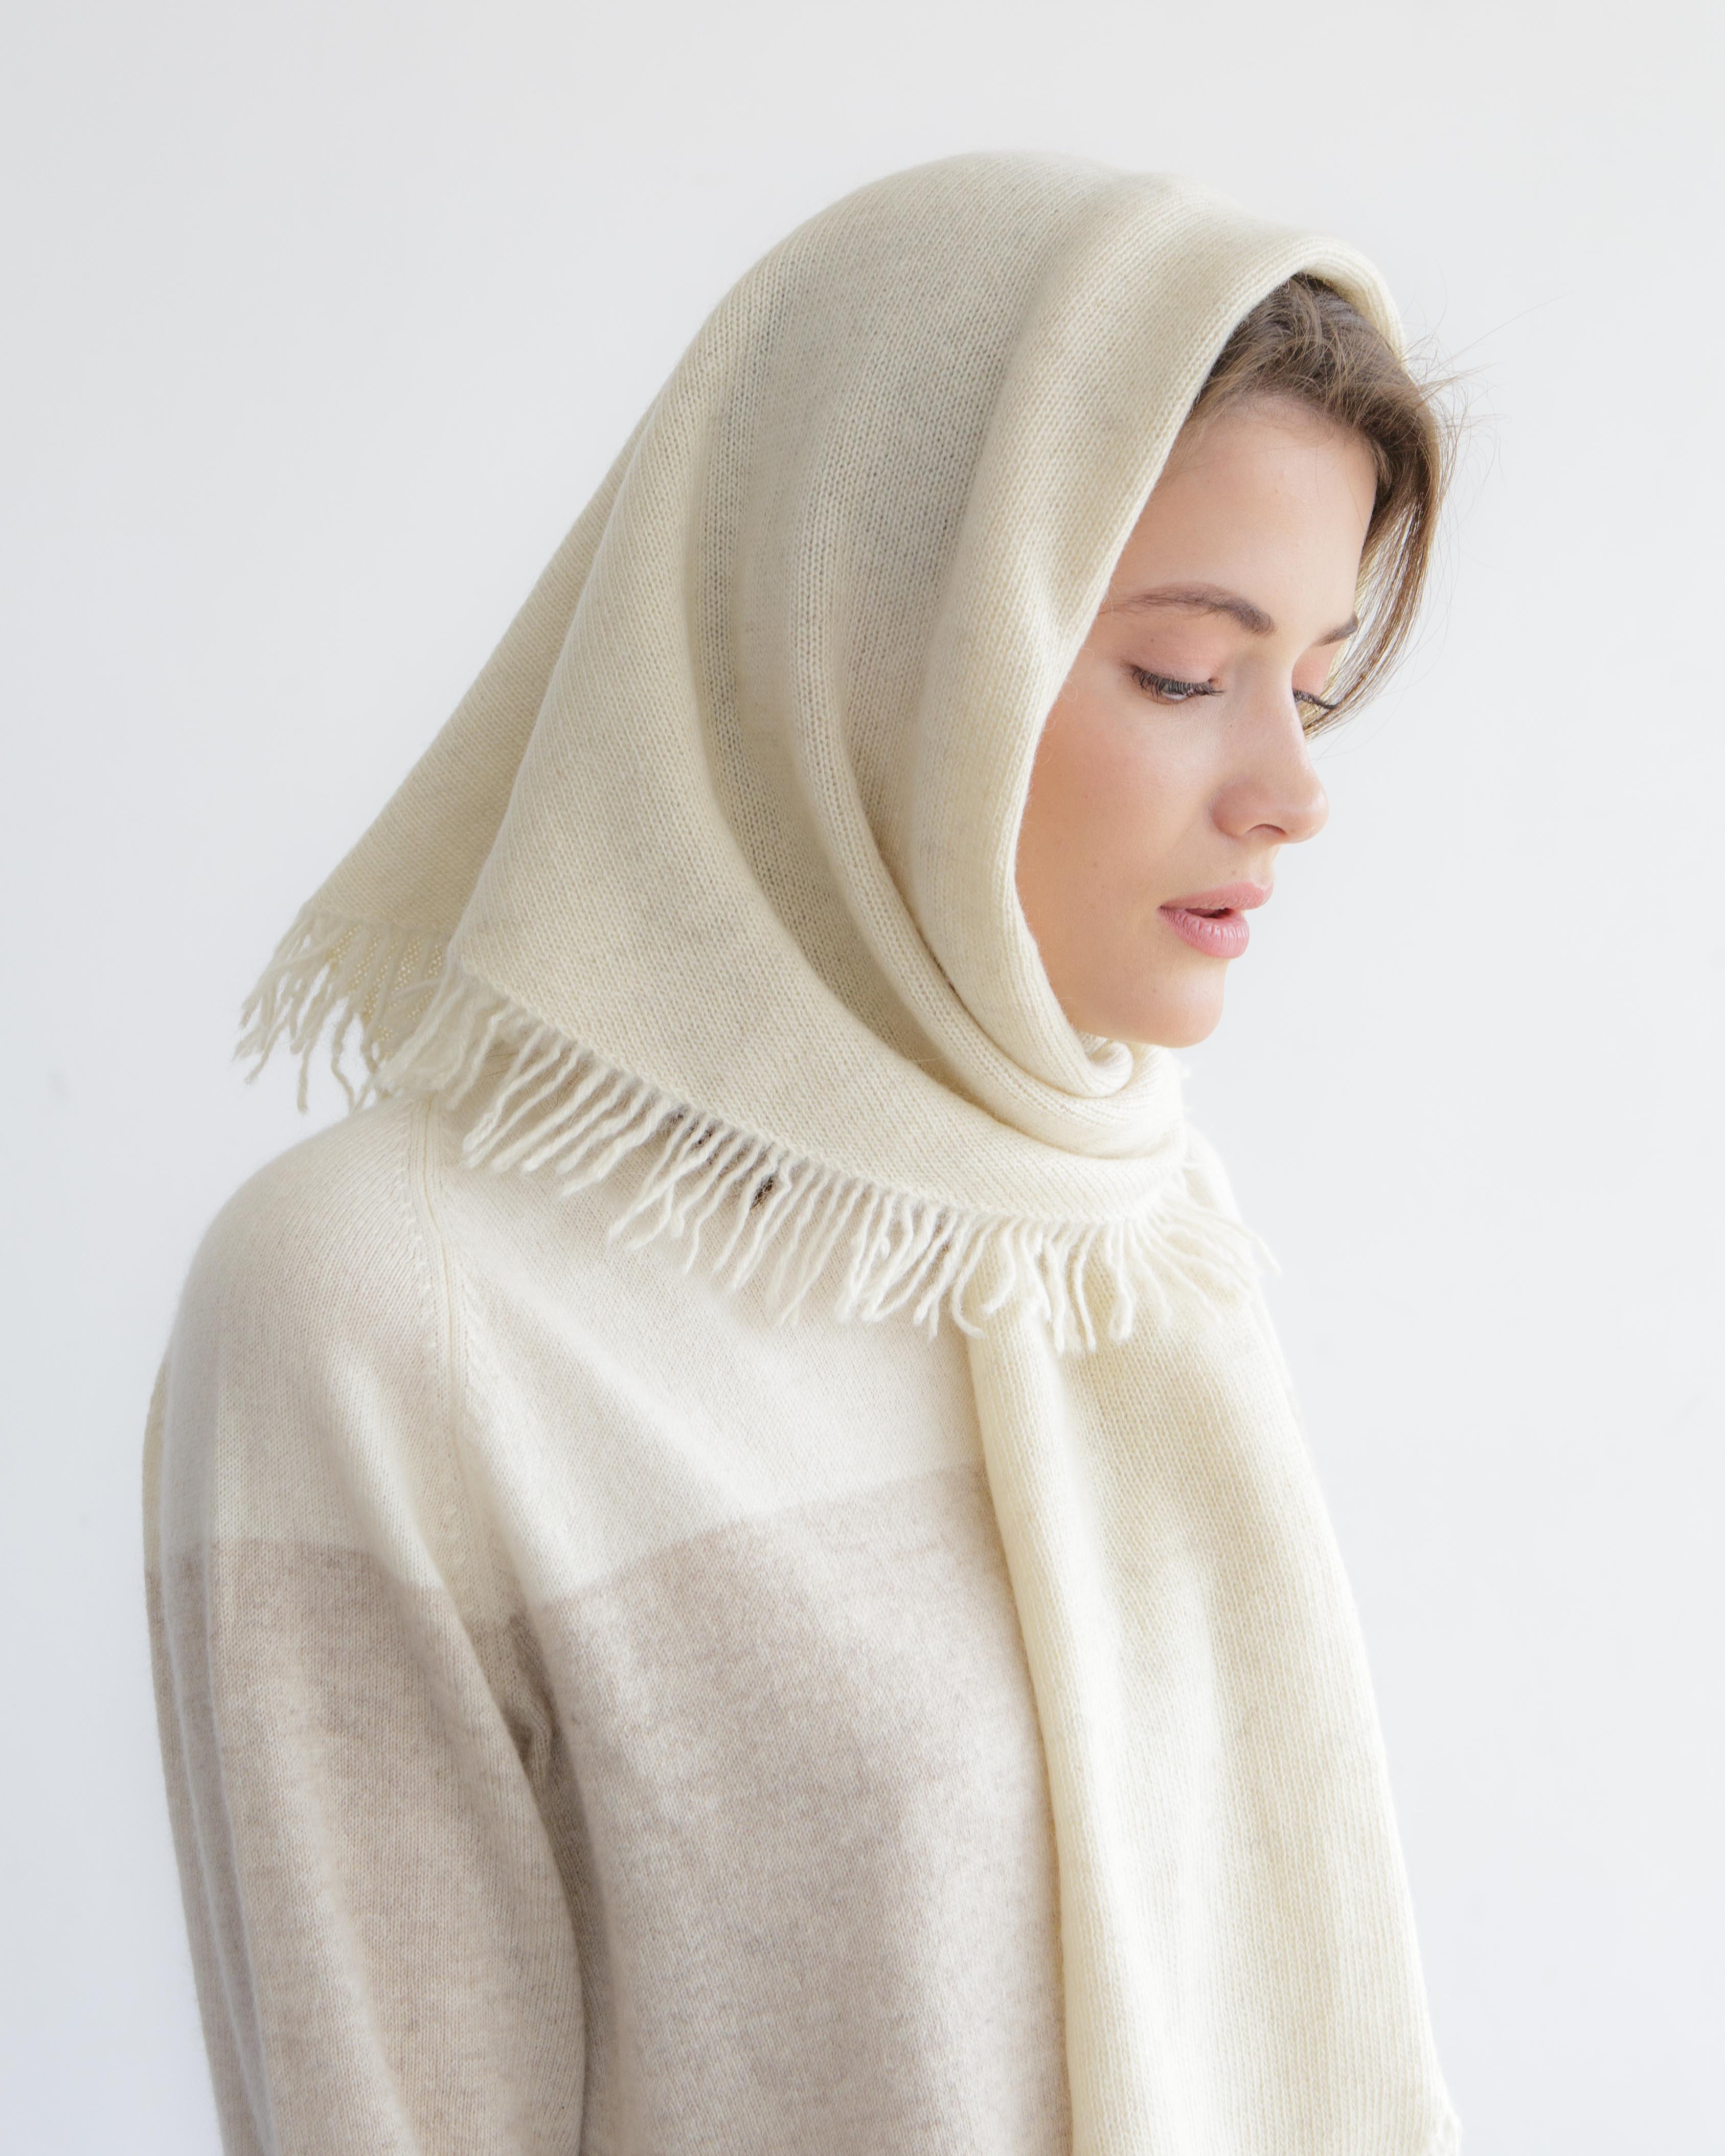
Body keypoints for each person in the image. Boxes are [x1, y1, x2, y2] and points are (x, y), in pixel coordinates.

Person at [145, 153, 1461, 2155]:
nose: (1291, 789)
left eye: (1314, 681)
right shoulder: (387, 1306)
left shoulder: (1119, 1226)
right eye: (1187, 672)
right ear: (880, 647)